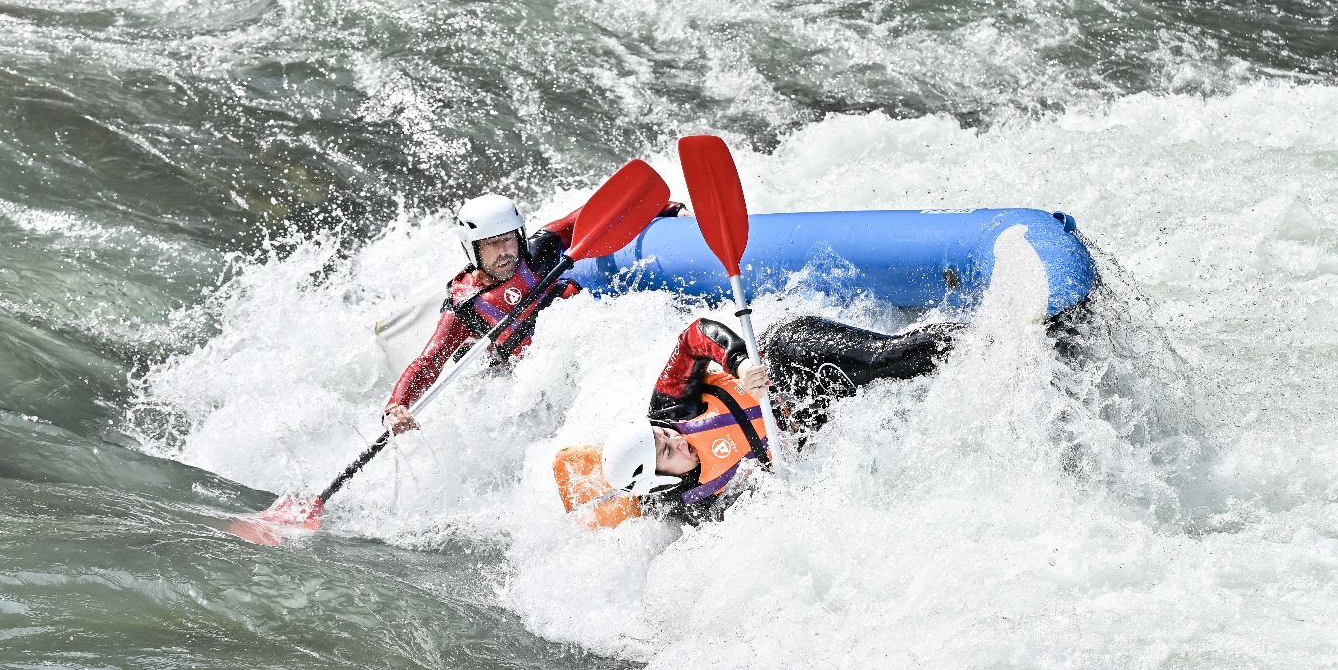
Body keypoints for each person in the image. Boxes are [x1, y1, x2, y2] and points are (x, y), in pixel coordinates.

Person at [599, 314, 964, 523]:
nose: (676, 440)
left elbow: (695, 336)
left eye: (665, 436)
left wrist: (739, 363)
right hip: (816, 419)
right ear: (661, 483)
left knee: (885, 360)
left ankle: (980, 336)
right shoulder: (701, 507)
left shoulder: (670, 405)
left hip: (788, 363)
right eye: (666, 452)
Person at [382, 193, 681, 434]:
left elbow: (601, 213)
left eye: (508, 240)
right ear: (472, 250)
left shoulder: (538, 251)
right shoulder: (465, 307)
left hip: (589, 343)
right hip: (536, 384)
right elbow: (429, 361)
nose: (504, 253)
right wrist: (397, 406)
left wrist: (671, 209)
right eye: (491, 245)